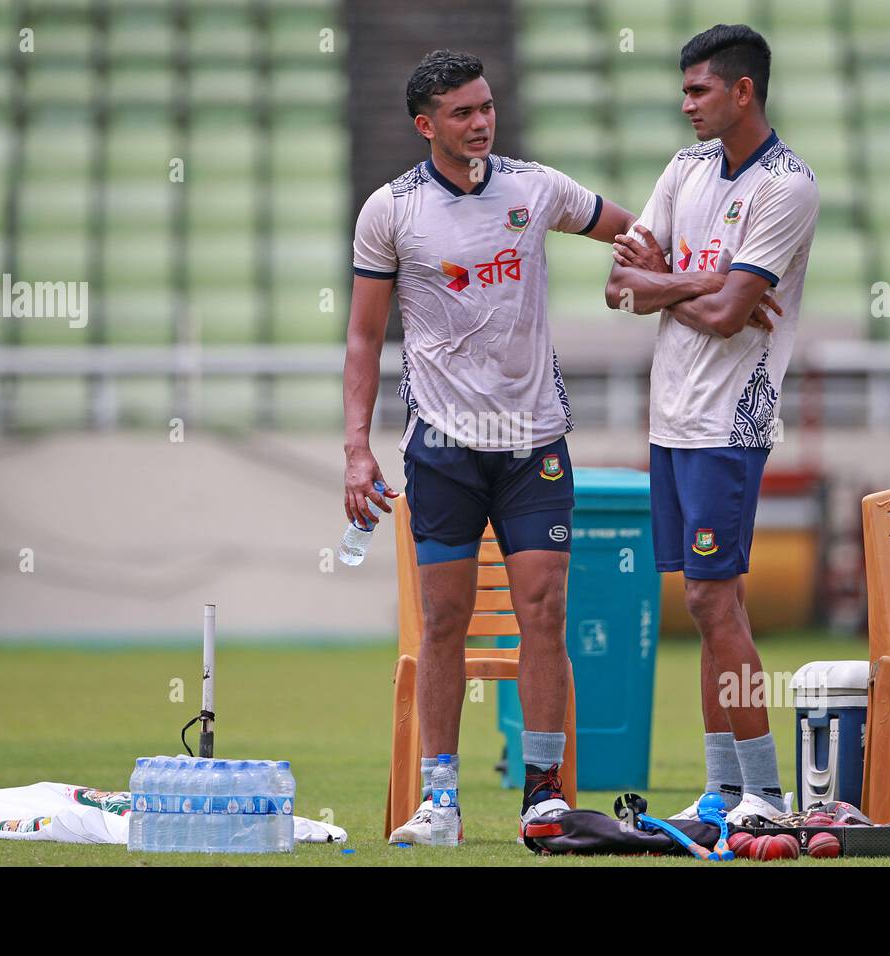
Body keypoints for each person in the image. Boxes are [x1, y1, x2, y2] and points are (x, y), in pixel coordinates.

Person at [343, 49, 636, 843]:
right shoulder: (391, 210)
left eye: (486, 107)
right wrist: (356, 450)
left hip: (534, 444)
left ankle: (543, 795)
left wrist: (660, 284)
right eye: (463, 112)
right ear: (425, 125)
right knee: (445, 624)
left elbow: (631, 232)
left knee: (544, 611)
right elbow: (365, 338)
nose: (481, 122)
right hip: (442, 449)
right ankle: (440, 802)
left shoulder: (536, 189)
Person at [605, 24, 819, 823]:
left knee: (713, 600)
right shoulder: (685, 167)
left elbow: (733, 317)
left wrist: (664, 281)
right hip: (670, 418)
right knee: (706, 604)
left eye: (698, 89)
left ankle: (764, 790)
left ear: (742, 91)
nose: (685, 102)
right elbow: (617, 289)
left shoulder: (787, 187)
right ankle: (722, 789)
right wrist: (690, 278)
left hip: (730, 421)